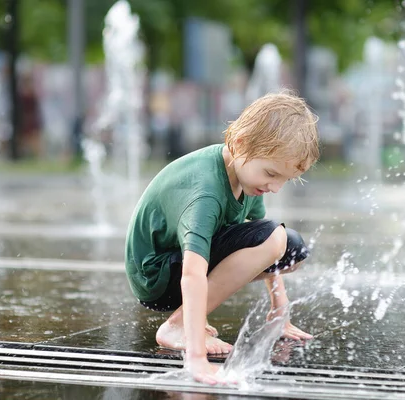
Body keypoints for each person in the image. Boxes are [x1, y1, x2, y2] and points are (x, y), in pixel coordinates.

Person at [124, 91, 320, 385]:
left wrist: (281, 312)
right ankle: (177, 326)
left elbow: (266, 238)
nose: (276, 187)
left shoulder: (245, 176)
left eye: (284, 179)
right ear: (240, 143)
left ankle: (188, 320)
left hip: (177, 264)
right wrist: (196, 359)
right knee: (275, 239)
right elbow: (191, 274)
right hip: (156, 277)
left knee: (291, 247)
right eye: (271, 173)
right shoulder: (206, 191)